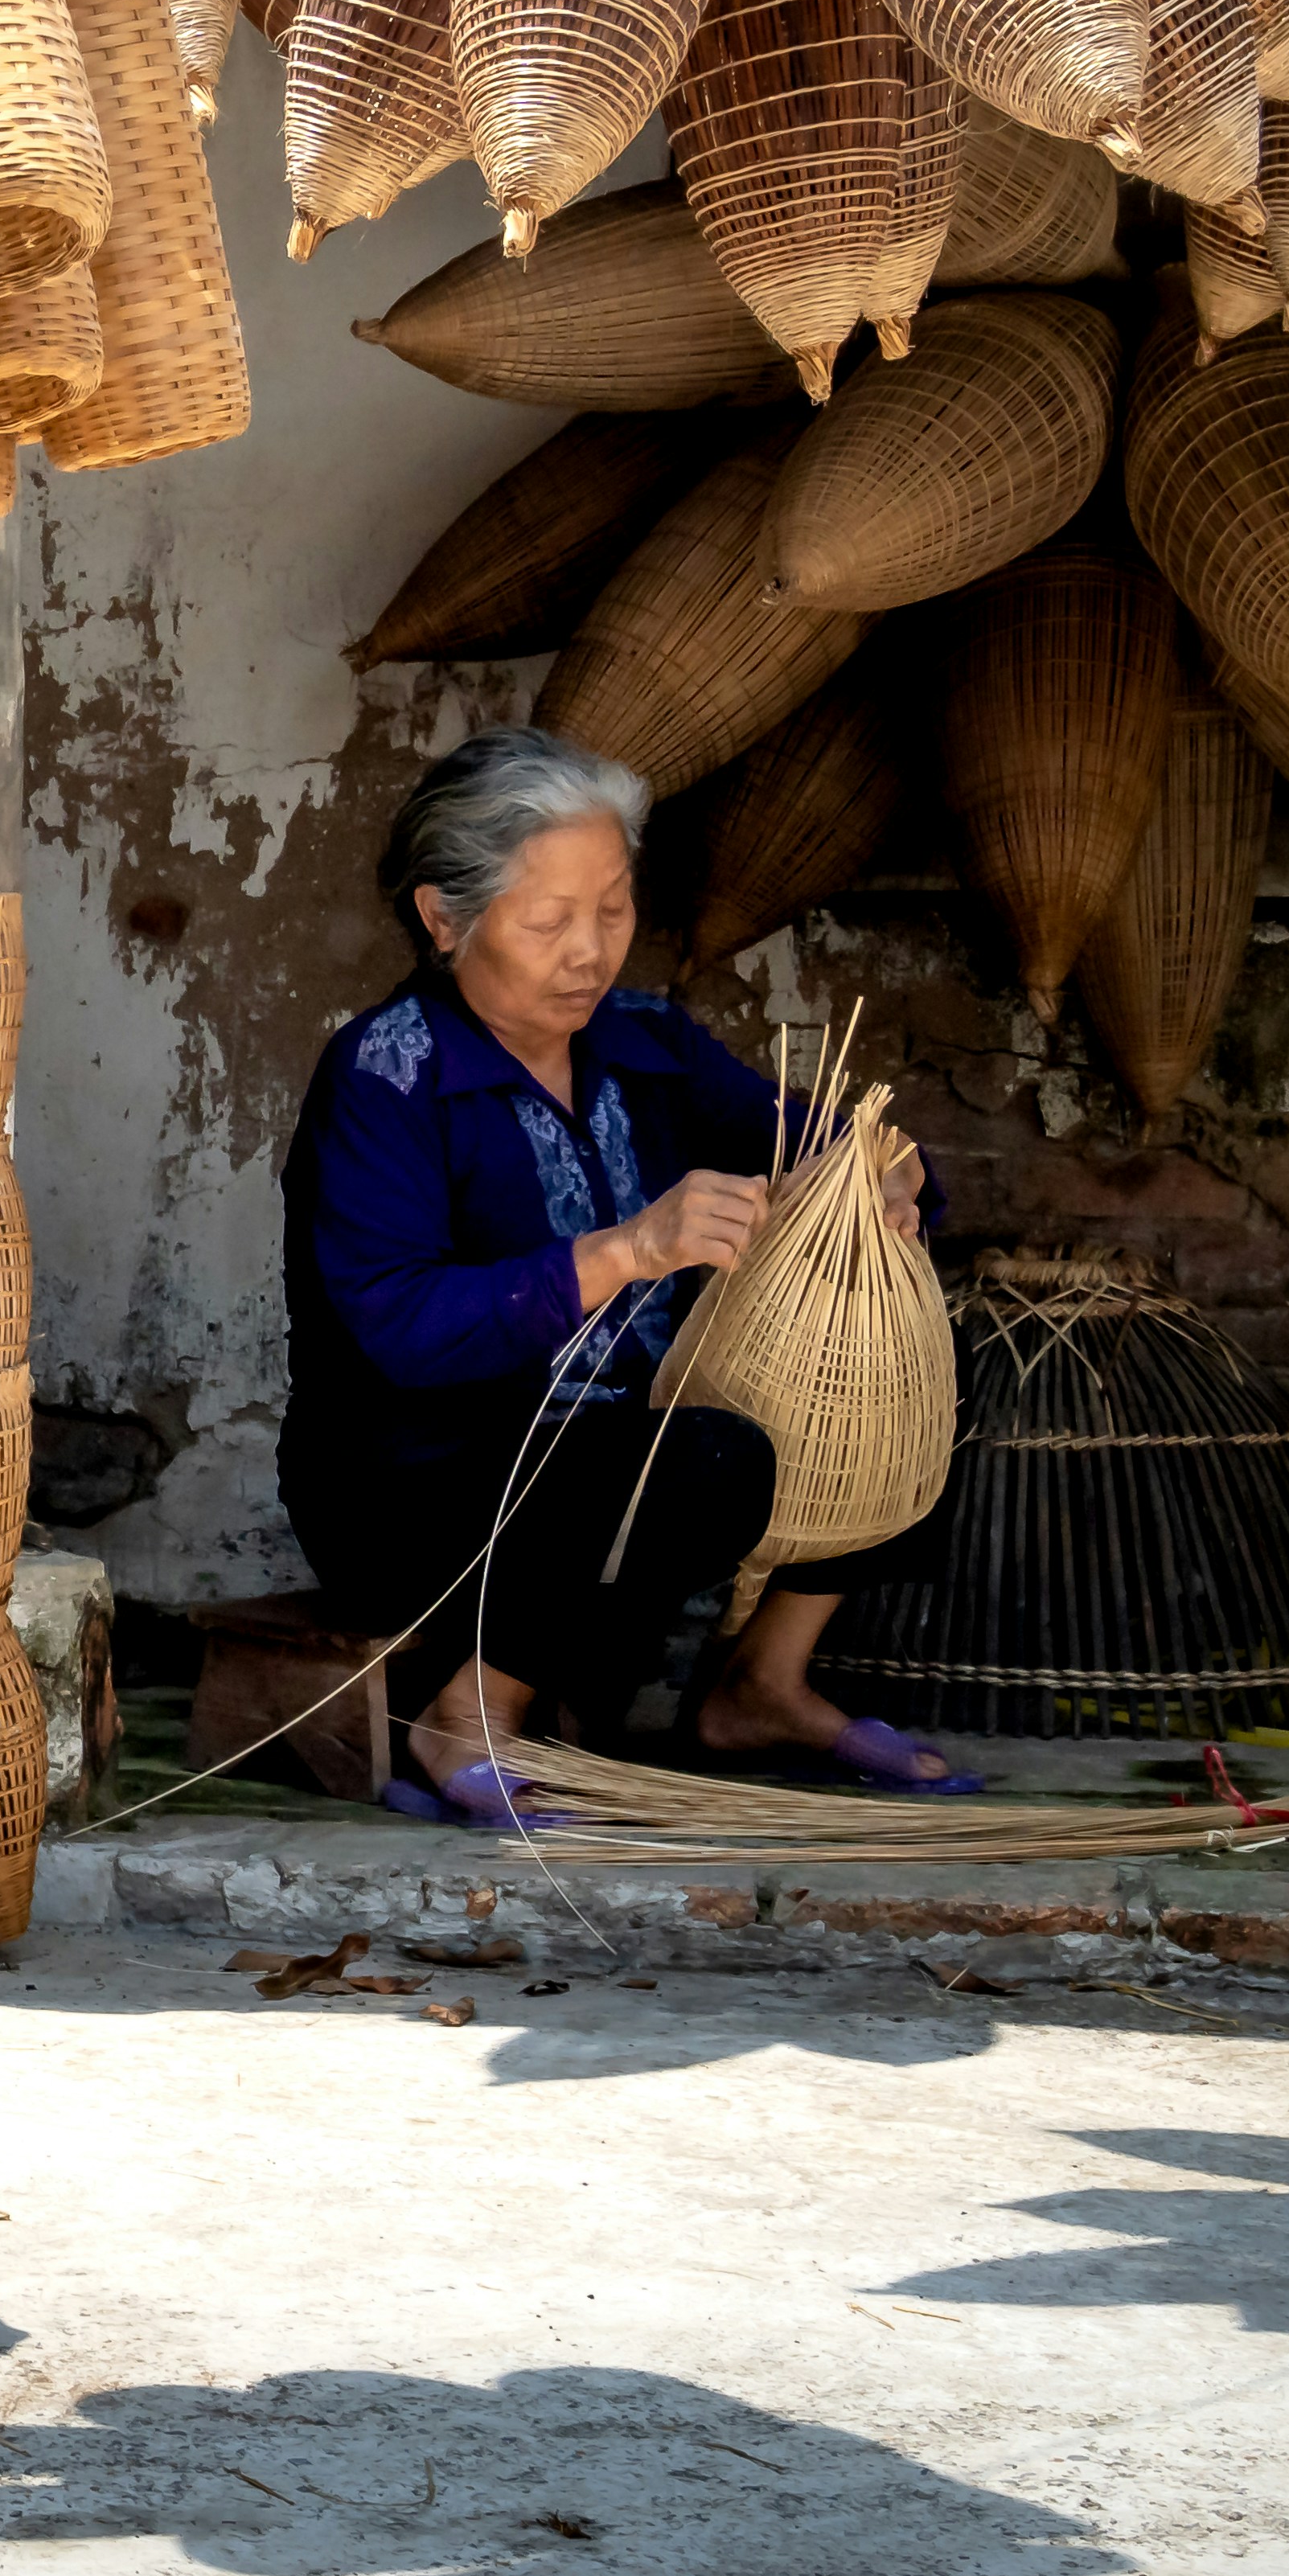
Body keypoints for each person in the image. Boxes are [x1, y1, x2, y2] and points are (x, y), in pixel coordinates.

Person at [285, 724, 967, 1826]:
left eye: (612, 910)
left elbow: (842, 1144)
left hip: (627, 1456)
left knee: (918, 1346)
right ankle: (468, 1715)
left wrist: (882, 1184)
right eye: (549, 919)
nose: (590, 951)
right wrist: (628, 1251)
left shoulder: (649, 1043)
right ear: (444, 918)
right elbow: (400, 1325)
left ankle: (761, 1685)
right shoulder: (387, 1075)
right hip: (415, 1486)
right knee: (696, 1455)